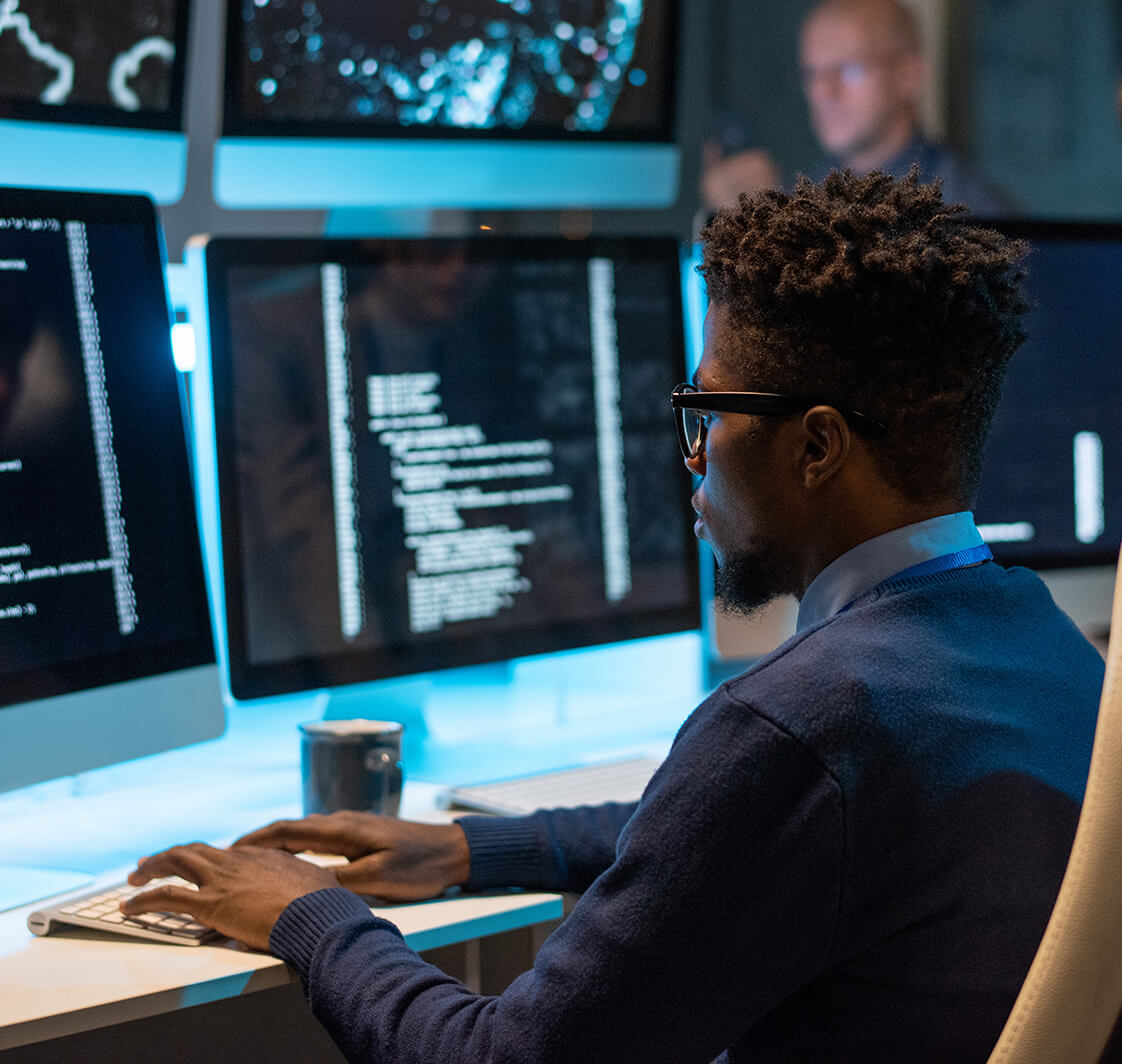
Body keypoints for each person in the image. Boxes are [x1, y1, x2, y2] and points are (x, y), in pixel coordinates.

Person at [121, 169, 1104, 1063]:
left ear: (815, 446)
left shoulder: (796, 727)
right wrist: (474, 849)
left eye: (707, 411)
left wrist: (311, 912)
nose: (692, 452)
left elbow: (501, 1059)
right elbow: (738, 830)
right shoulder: (1049, 651)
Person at [701, 0, 1013, 215]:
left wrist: (771, 221)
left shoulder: (966, 212)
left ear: (909, 75)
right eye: (812, 73)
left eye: (850, 69)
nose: (823, 92)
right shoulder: (810, 191)